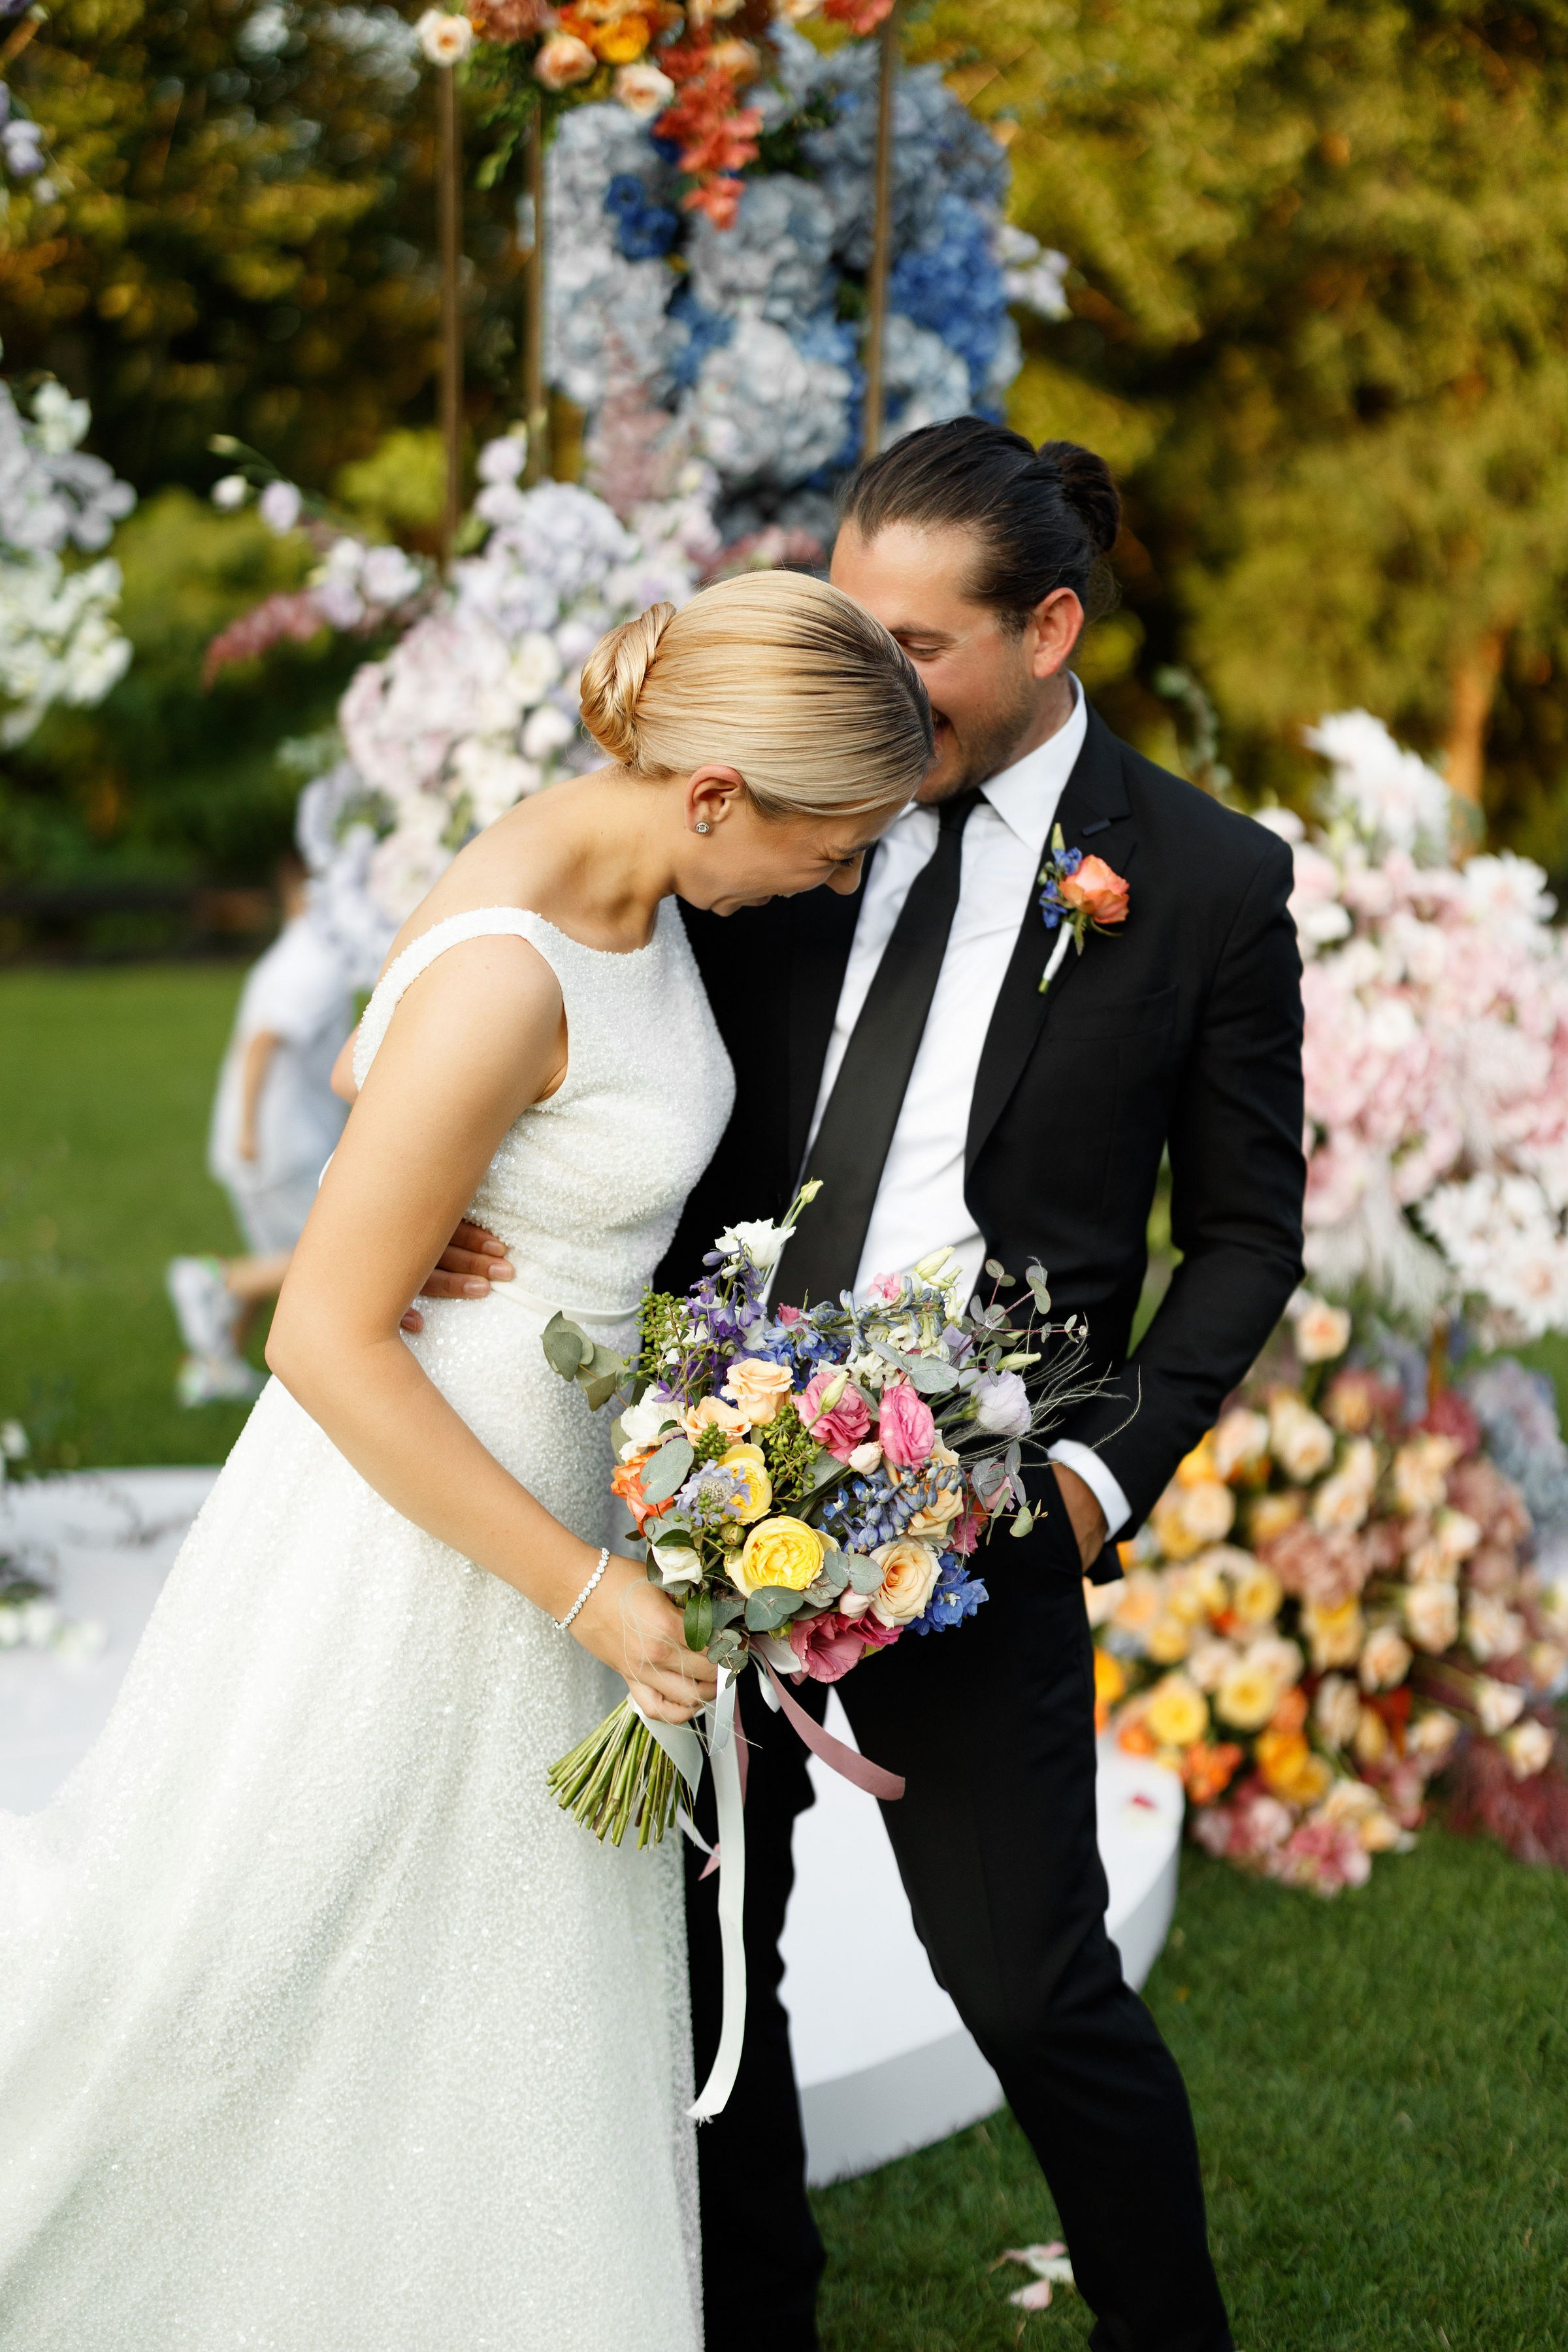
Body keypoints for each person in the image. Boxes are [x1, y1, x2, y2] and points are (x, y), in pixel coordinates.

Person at [0, 572, 932, 2349]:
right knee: (244, 1962)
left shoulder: (607, 863)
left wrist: (435, 1190)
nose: (835, 882)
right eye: (832, 849)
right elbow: (317, 1333)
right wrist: (587, 1588)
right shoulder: (524, 954)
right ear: (720, 795)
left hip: (550, 1489)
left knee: (469, 1996)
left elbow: (384, 1045)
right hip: (421, 1531)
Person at [666, 422, 1306, 2352]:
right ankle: (749, 2320)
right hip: (702, 1485)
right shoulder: (785, 808)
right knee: (702, 1971)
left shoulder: (1197, 879)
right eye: (848, 628)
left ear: (1047, 625)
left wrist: (1085, 1488)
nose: (868, 681)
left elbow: (1246, 1238)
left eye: (916, 645)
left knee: (1029, 1984)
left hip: (977, 1516)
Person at [166, 851, 353, 1405]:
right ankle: (210, 1280)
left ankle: (212, 1366)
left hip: (261, 1141)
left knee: (276, 1257)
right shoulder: (315, 965)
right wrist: (252, 1130)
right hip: (283, 1143)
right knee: (325, 1261)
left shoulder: (289, 955)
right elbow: (263, 1042)